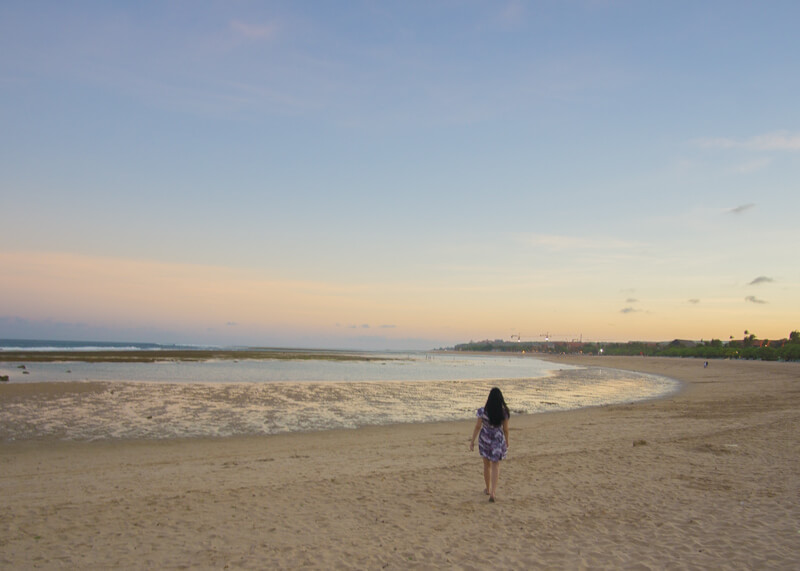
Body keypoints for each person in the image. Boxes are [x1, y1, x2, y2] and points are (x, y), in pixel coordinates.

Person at [469, 387, 510, 502]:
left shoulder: (483, 411)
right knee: (495, 465)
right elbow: (506, 429)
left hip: (485, 438)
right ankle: (493, 492)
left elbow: (478, 426)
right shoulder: (504, 412)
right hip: (497, 438)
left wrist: (472, 441)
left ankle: (487, 489)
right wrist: (507, 441)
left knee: (486, 465)